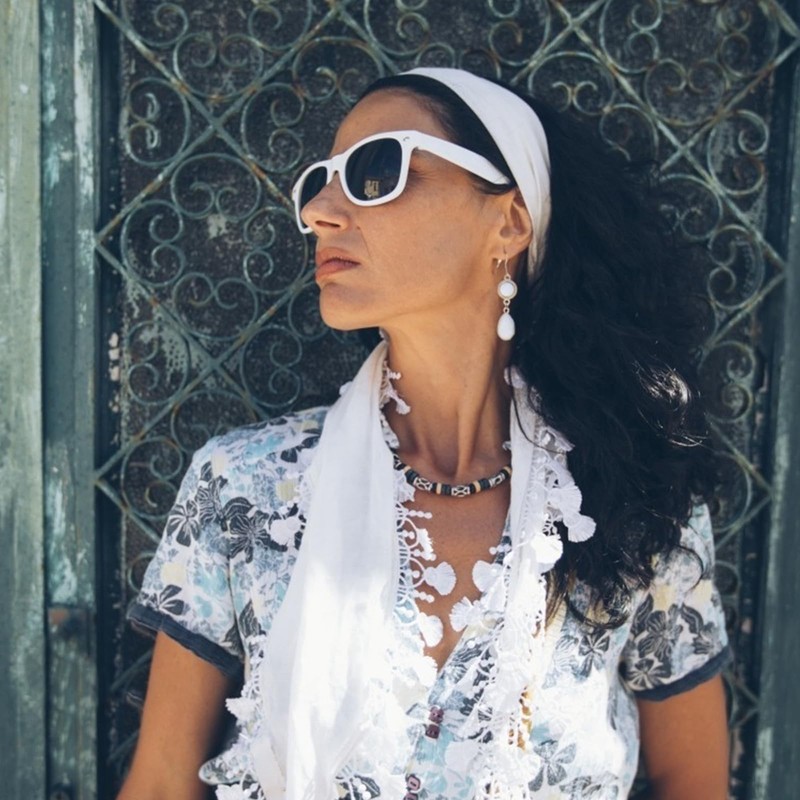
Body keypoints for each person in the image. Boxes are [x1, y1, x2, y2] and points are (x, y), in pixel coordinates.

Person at [117, 68, 731, 800]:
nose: (319, 211)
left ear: (509, 222)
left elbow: (693, 781)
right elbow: (161, 784)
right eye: (318, 183)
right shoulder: (245, 490)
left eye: (376, 171)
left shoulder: (639, 498)